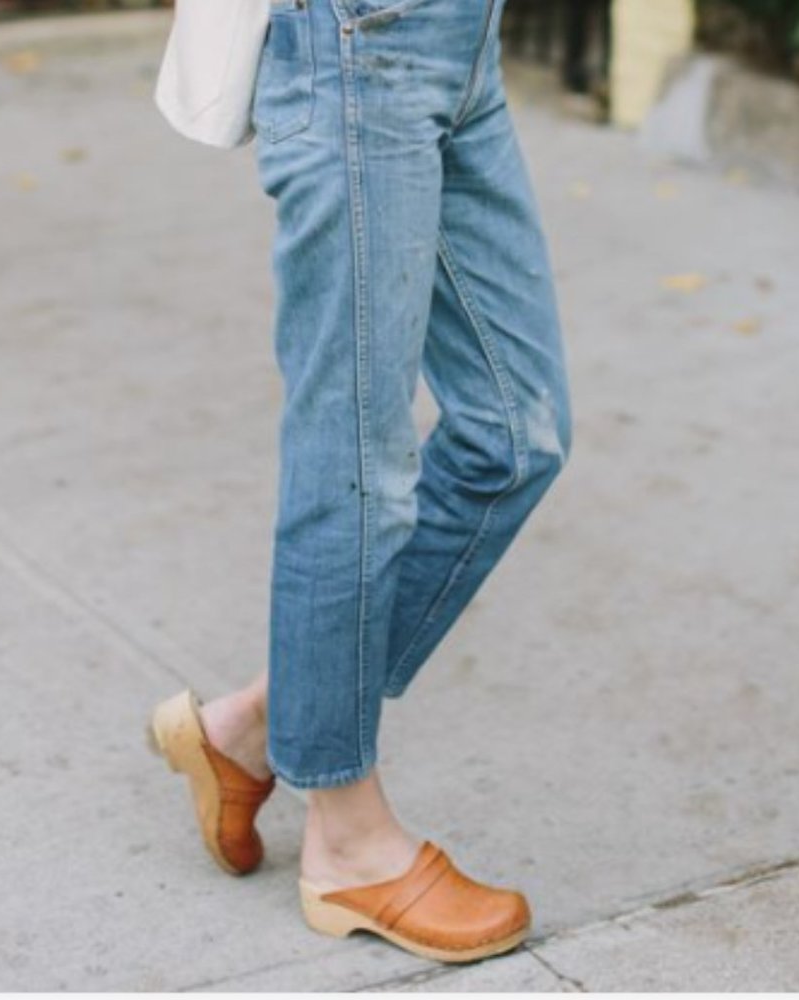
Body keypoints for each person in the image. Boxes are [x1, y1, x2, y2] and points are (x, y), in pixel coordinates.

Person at [147, 0, 571, 965]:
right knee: (353, 465)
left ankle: (253, 725)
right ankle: (345, 843)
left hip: (461, 48)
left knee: (518, 435)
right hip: (355, 44)